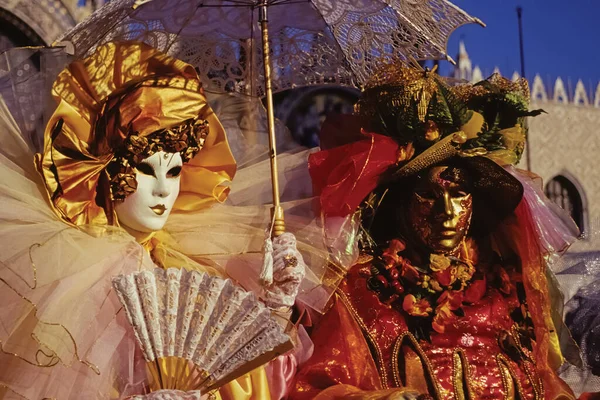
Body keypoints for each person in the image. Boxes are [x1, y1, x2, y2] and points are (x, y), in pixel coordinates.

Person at [0, 41, 311, 400]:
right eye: (148, 170)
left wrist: (275, 312)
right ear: (107, 171)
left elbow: (250, 386)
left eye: (175, 171)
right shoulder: (62, 279)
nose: (164, 190)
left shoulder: (194, 270)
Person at [289, 65, 580, 399]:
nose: (447, 212)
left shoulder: (504, 287)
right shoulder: (362, 289)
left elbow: (547, 383)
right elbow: (318, 386)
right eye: (428, 196)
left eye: (459, 195)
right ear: (400, 205)